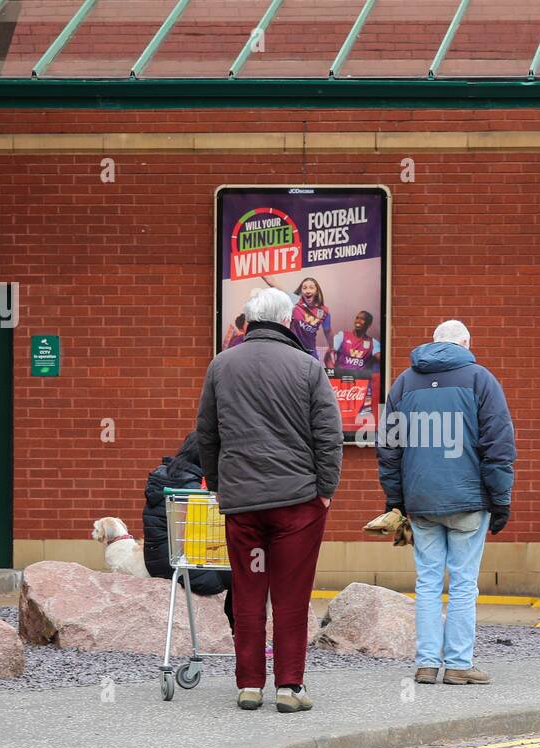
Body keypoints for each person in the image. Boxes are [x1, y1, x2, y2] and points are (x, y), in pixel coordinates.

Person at [197, 287, 343, 713]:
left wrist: (222, 484)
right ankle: (289, 686)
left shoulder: (221, 366)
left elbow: (207, 433)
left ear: (249, 321)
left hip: (243, 503)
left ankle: (248, 686)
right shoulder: (307, 367)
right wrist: (326, 490)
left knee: (248, 590)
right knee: (291, 594)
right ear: (286, 320)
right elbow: (328, 436)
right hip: (297, 502)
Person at [378, 320, 515, 686]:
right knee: (463, 583)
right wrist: (500, 500)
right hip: (469, 499)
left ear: (433, 341)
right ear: (466, 342)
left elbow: (389, 447)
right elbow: (498, 446)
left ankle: (425, 663)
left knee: (426, 581)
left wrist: (395, 499)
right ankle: (457, 663)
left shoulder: (404, 382)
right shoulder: (480, 379)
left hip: (420, 500)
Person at [141, 431, 234, 632]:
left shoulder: (162, 476)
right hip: (187, 564)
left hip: (157, 561)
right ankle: (239, 633)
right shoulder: (193, 487)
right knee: (246, 572)